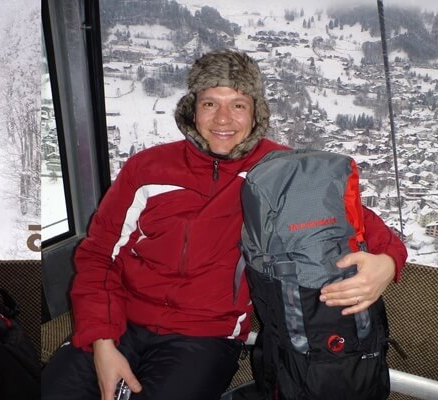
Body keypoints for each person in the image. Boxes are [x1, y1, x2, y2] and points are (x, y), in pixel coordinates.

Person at [40, 50, 407, 400]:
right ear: (193, 109)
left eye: (238, 105)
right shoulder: (147, 168)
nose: (223, 120)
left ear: (255, 113)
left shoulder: (282, 172)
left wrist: (387, 263)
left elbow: (372, 231)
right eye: (210, 103)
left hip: (203, 337)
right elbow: (98, 254)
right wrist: (103, 342)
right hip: (118, 321)